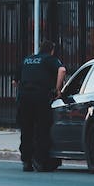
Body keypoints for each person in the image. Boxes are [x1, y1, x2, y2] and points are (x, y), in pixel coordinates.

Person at [15, 40, 66, 172]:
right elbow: (62, 70)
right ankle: (39, 160)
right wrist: (58, 89)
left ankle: (26, 161)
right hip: (41, 98)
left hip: (25, 98)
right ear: (52, 50)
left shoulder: (27, 59)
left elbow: (15, 81)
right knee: (42, 129)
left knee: (26, 129)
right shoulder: (50, 59)